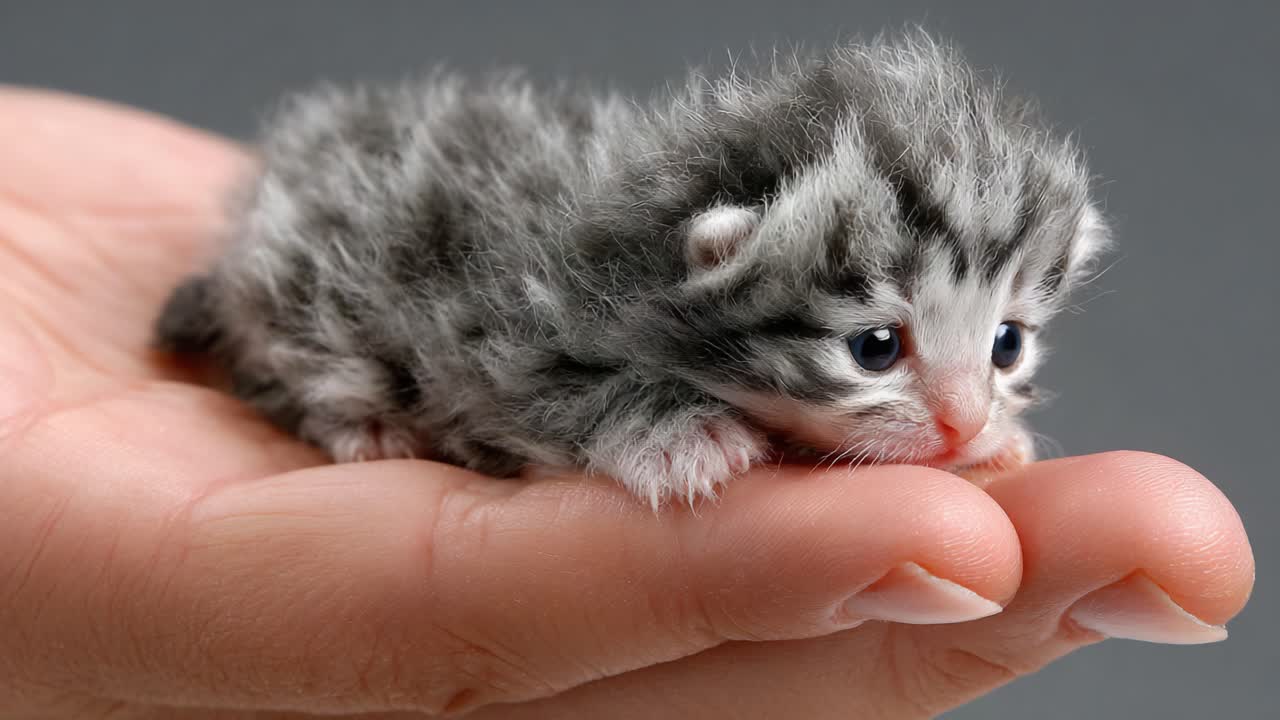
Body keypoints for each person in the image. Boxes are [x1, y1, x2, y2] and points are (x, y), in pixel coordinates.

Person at [0, 87, 1254, 720]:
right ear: (715, 265)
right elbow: (521, 367)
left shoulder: (918, 381)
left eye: (1008, 344)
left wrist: (914, 379)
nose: (959, 414)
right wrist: (631, 427)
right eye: (878, 345)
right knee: (349, 354)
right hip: (333, 257)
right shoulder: (580, 321)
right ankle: (270, 363)